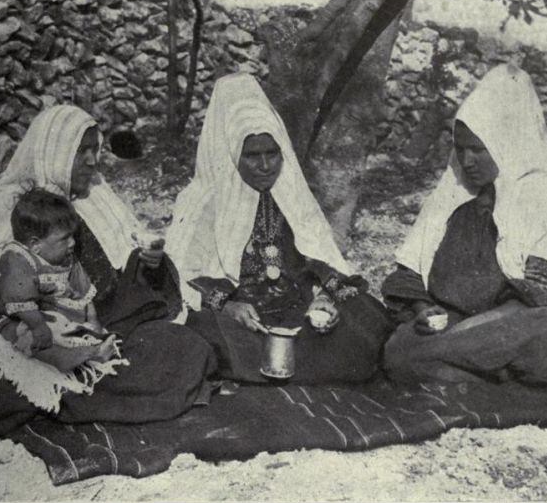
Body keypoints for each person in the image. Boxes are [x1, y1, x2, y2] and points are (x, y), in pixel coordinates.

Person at [0, 105, 216, 446]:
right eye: (81, 151)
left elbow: (111, 278)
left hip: (98, 324)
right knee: (179, 357)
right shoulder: (8, 206)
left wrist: (147, 262)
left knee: (190, 346)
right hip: (36, 337)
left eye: (95, 149)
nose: (92, 161)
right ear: (54, 151)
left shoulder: (92, 195)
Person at [382, 64, 547, 387]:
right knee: (398, 351)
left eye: (477, 149)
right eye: (461, 149)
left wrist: (469, 332)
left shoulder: (537, 198)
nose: (467, 161)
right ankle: (508, 377)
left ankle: (469, 371)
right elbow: (408, 272)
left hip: (509, 326)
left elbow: (543, 294)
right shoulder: (452, 194)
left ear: (506, 143)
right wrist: (424, 310)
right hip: (454, 326)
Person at [166, 73, 393, 385]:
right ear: (233, 153)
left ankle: (302, 363)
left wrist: (325, 296)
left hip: (296, 305)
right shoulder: (204, 198)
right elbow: (181, 273)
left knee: (366, 314)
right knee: (207, 336)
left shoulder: (290, 191)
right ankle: (309, 365)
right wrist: (228, 305)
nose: (265, 166)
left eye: (271, 154)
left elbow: (320, 257)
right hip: (243, 315)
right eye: (252, 155)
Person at [0, 188, 119, 369]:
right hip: (28, 317)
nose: (72, 243)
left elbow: (84, 291)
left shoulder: (66, 258)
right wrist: (39, 326)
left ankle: (90, 352)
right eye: (64, 239)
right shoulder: (18, 260)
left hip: (59, 316)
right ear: (35, 245)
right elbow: (20, 300)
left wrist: (93, 320)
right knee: (30, 339)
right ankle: (77, 361)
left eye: (72, 236)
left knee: (84, 333)